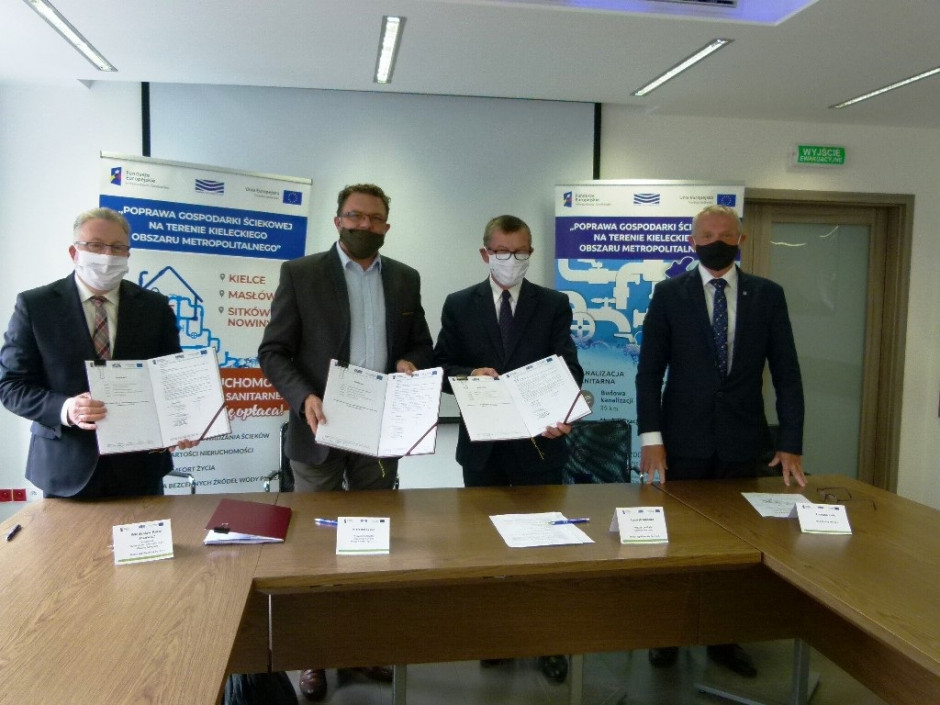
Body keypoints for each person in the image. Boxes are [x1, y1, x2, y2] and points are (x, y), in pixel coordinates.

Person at [258, 183, 433, 701]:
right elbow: (273, 352)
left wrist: (411, 362)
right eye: (355, 216)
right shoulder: (301, 273)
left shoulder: (405, 278)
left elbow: (421, 344)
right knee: (314, 550)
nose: (364, 225)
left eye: (374, 219)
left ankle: (361, 647)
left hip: (380, 434)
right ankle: (313, 656)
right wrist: (303, 397)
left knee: (372, 545)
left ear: (386, 227)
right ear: (338, 221)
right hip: (319, 429)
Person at [635, 203, 806, 678]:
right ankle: (669, 635)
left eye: (726, 235)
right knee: (676, 543)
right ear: (692, 242)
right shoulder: (668, 294)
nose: (717, 242)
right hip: (680, 443)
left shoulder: (767, 295)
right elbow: (649, 372)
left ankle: (724, 638)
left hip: (741, 443)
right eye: (707, 235)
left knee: (736, 549)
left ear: (741, 241)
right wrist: (651, 438)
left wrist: (791, 441)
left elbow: (787, 373)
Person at [433, 214, 583, 684]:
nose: (511, 260)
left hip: (540, 446)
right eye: (502, 252)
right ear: (485, 254)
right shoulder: (459, 304)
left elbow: (568, 367)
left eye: (520, 252)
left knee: (545, 549)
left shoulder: (553, 303)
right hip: (482, 451)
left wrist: (563, 410)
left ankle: (548, 641)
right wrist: (469, 376)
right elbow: (441, 367)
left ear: (530, 253)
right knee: (486, 550)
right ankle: (495, 635)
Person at [0, 207, 196, 499]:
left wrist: (184, 422)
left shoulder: (155, 307)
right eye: (95, 245)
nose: (107, 255)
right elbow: (11, 386)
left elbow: (171, 377)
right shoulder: (36, 306)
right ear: (74, 252)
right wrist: (66, 408)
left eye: (117, 247)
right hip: (65, 467)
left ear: (128, 254)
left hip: (140, 468)